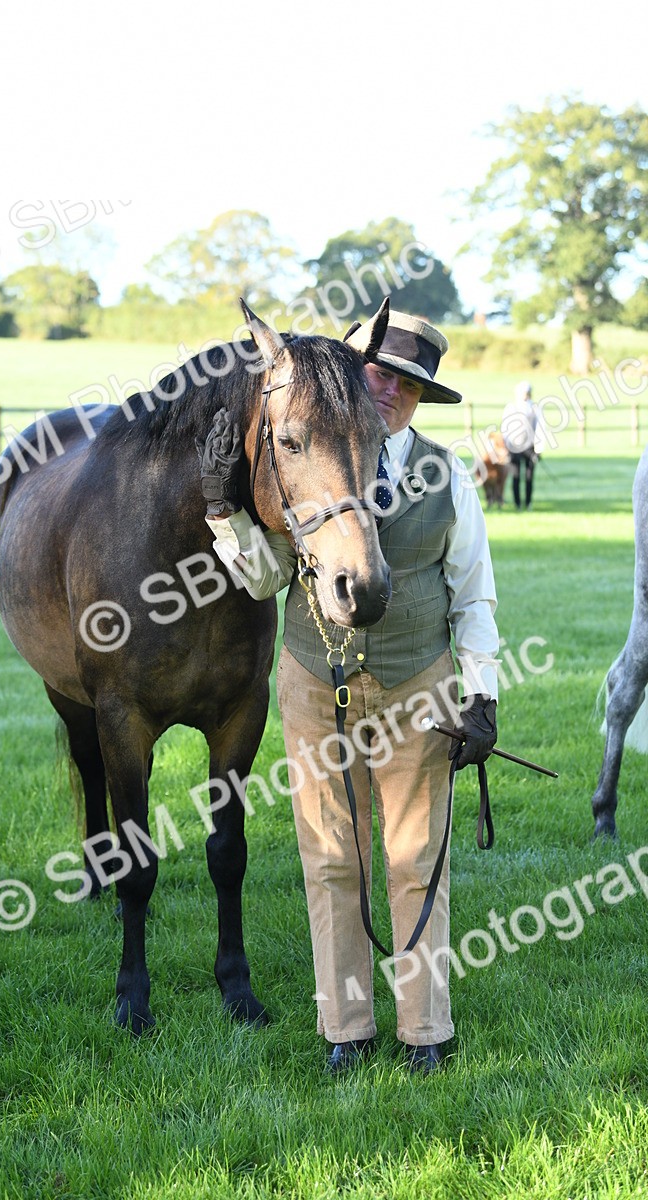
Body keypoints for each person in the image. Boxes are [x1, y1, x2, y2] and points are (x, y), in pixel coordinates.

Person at [200, 309, 499, 1074]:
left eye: (407, 381)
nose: (389, 389)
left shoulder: (447, 475)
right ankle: (345, 1028)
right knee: (329, 855)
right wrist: (223, 511)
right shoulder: (312, 462)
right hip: (313, 679)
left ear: (421, 397)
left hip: (417, 684)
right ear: (357, 378)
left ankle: (425, 1030)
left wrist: (483, 695)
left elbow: (474, 594)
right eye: (378, 373)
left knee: (415, 856)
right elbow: (267, 580)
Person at [501, 381, 541, 510]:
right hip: (514, 447)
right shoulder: (511, 407)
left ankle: (528, 502)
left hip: (530, 447)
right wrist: (506, 446)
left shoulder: (534, 408)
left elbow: (540, 427)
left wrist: (539, 448)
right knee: (516, 476)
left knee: (529, 477)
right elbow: (505, 428)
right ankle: (517, 503)